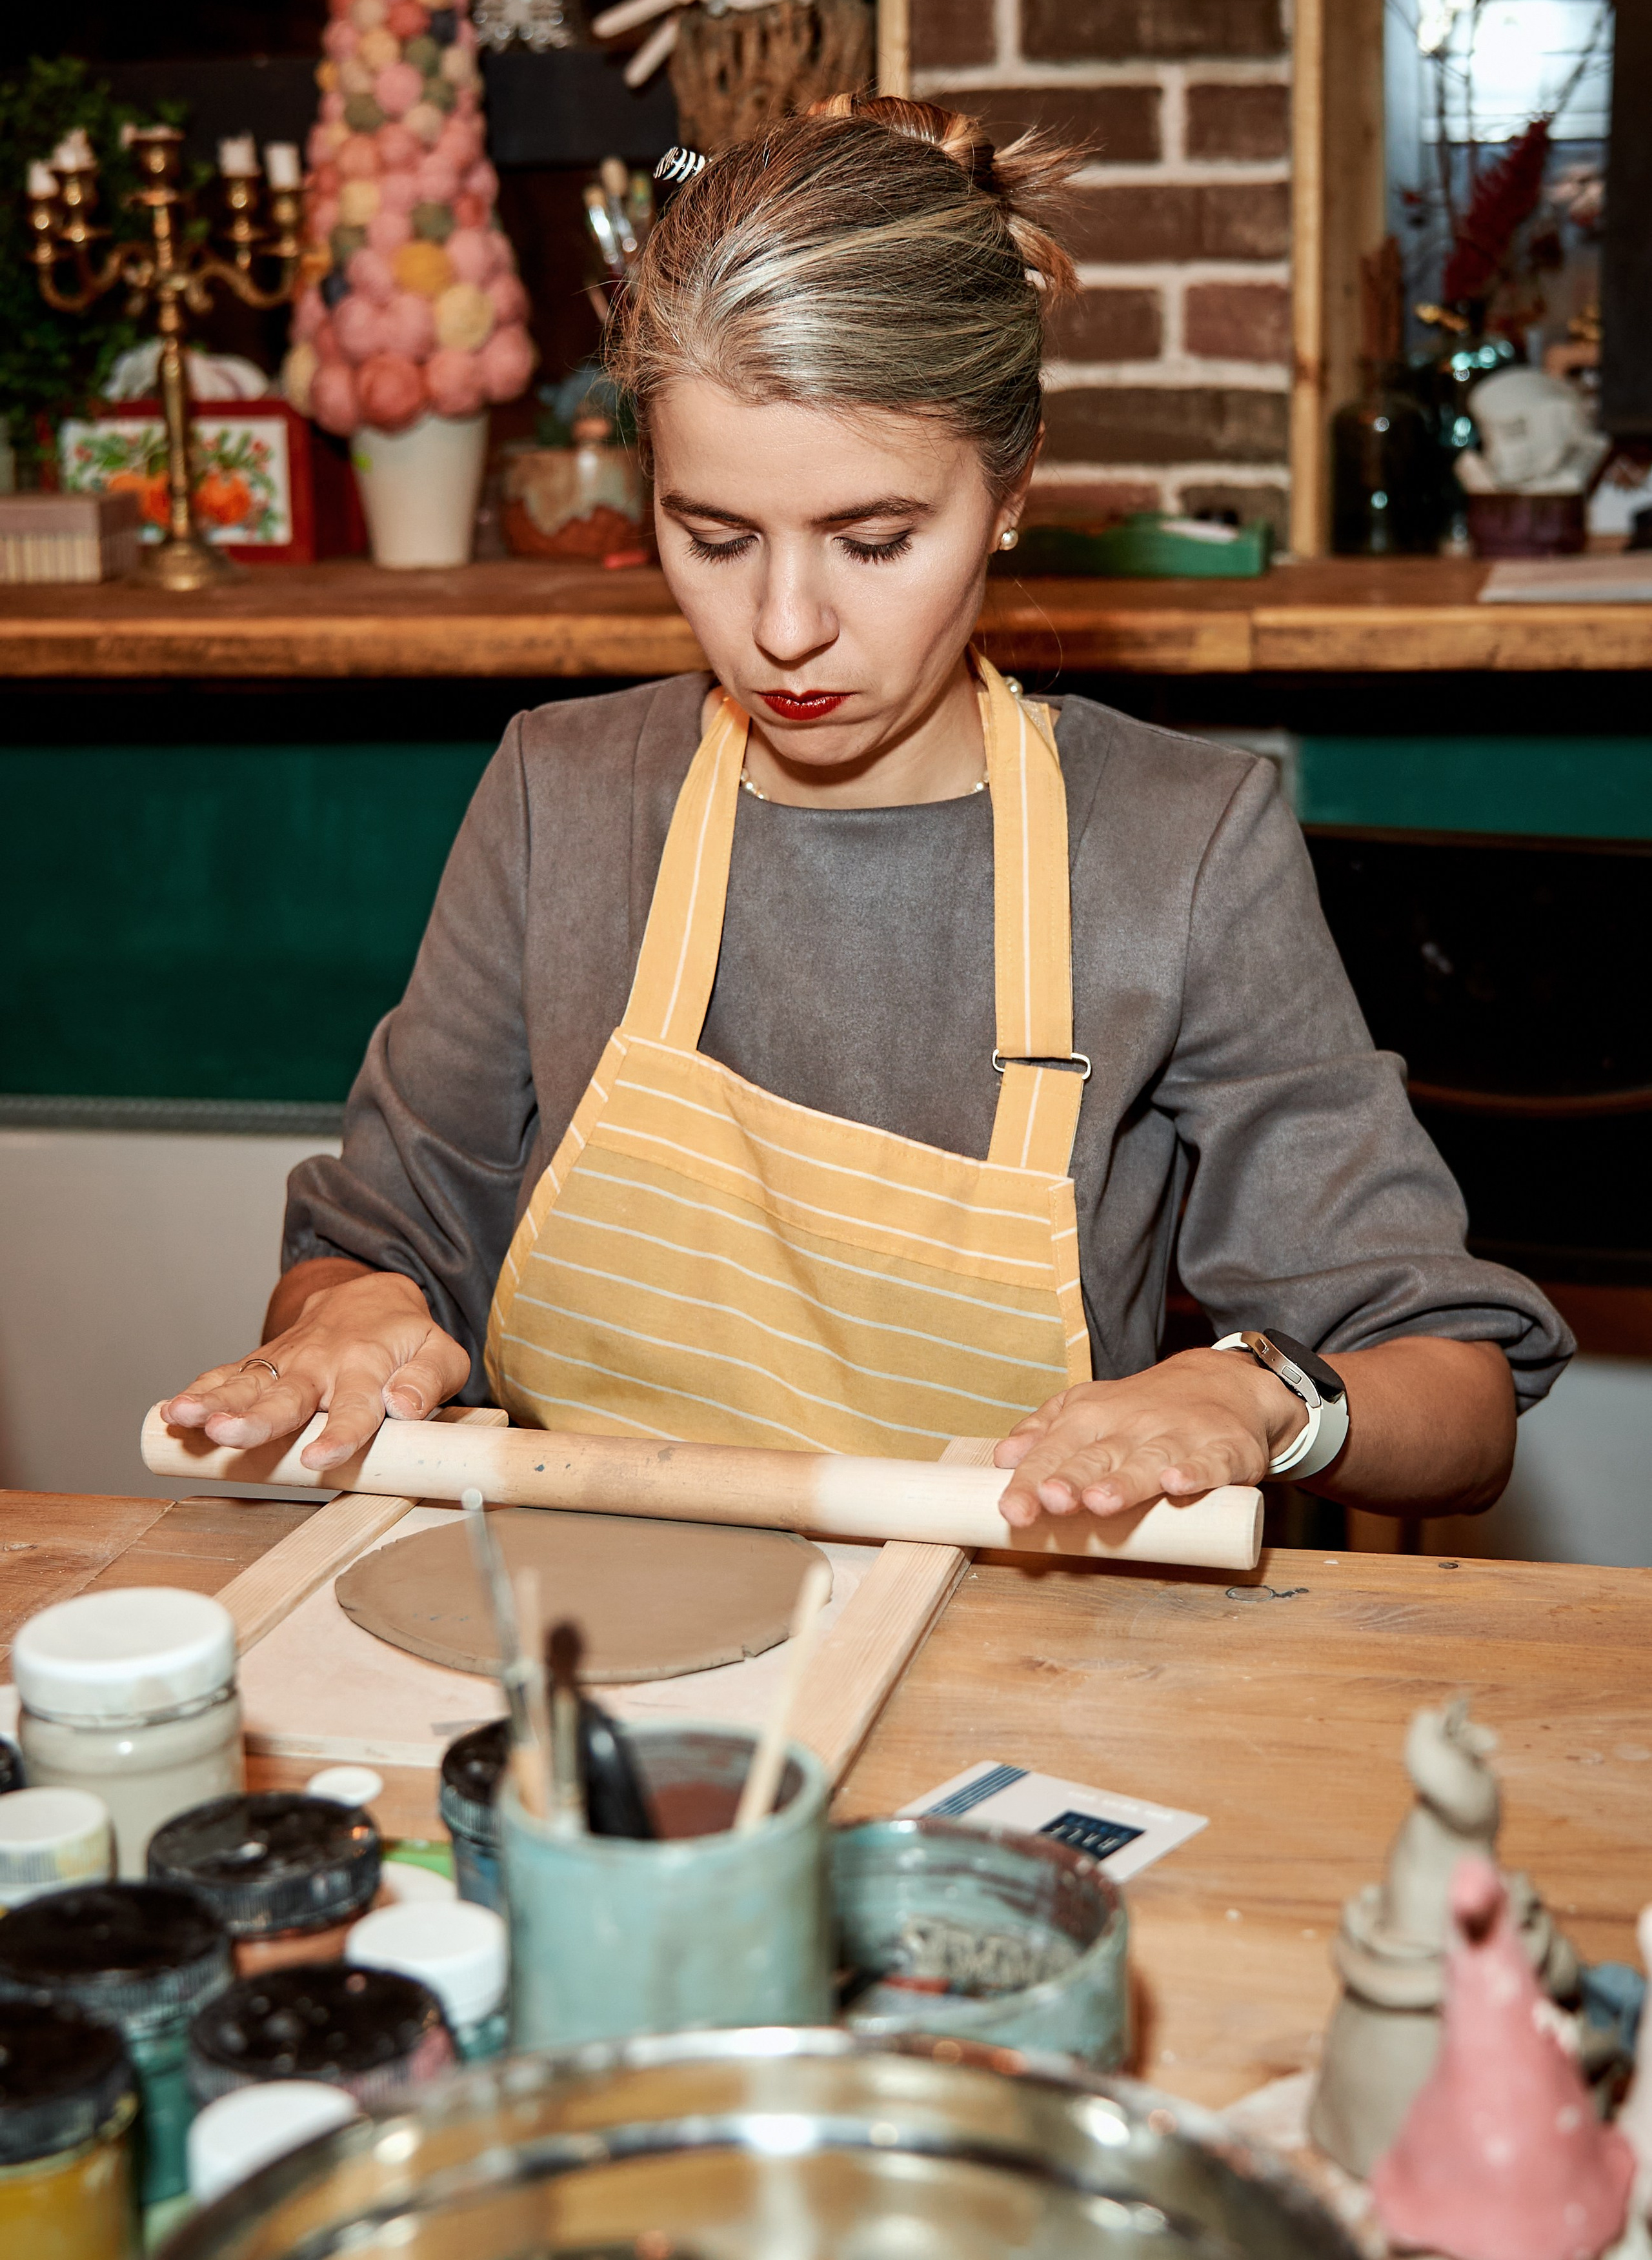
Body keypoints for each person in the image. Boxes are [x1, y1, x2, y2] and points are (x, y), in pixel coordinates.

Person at [161, 95, 1571, 1529]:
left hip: (1008, 1652)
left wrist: (1259, 1399)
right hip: (600, 1619)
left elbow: (1451, 1396)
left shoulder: (1174, 847)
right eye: (711, 539)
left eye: (875, 540)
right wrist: (343, 1319)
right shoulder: (561, 796)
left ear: (1009, 490)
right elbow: (375, 1241)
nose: (782, 628)